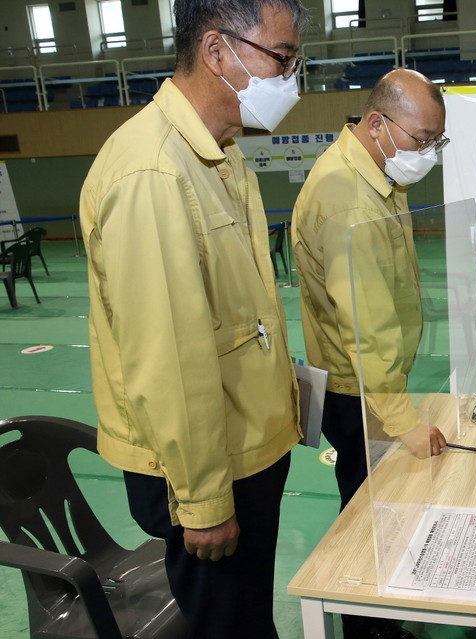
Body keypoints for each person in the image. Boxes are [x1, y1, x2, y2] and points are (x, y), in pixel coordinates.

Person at [79, 1, 306, 637]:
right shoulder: (153, 172)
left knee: (245, 617)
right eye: (282, 59)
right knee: (228, 625)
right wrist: (204, 502)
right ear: (216, 51)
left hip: (243, 443)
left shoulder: (221, 153)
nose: (291, 78)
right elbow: (168, 358)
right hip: (205, 470)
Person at [292, 68, 448, 638]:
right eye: (421, 139)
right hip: (359, 395)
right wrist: (399, 419)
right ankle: (365, 627)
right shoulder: (347, 197)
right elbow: (367, 324)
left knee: (379, 513)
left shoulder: (377, 175)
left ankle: (379, 618)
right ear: (378, 124)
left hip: (377, 386)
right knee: (366, 521)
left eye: (437, 141)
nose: (428, 153)